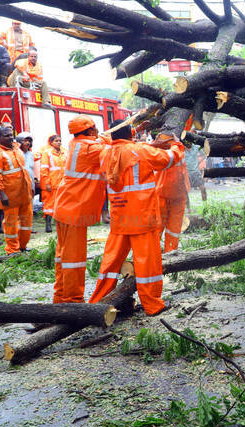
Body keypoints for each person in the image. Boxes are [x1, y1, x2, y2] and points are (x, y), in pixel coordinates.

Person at [89, 120, 183, 315]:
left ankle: (97, 303)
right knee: (148, 265)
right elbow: (170, 159)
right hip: (142, 217)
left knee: (110, 263)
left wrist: (137, 135)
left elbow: (109, 139)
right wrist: (176, 144)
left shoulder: (105, 152)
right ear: (130, 134)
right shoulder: (140, 151)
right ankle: (153, 305)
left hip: (120, 218)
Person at [51, 117, 107, 304]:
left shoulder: (77, 143)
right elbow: (113, 149)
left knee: (63, 257)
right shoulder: (90, 148)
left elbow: (101, 142)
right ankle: (73, 300)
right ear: (90, 131)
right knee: (74, 259)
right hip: (75, 209)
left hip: (65, 206)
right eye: (95, 129)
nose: (98, 131)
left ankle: (60, 297)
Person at [0, 127, 34, 255]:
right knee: (11, 223)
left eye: (10, 135)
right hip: (10, 195)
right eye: (6, 136)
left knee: (26, 220)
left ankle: (23, 246)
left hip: (24, 193)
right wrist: (2, 194)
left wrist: (30, 187)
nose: (10, 137)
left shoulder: (16, 148)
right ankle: (12, 249)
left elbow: (23, 170)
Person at [155, 130, 190, 252]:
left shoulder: (165, 150)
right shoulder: (177, 149)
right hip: (172, 194)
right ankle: (169, 254)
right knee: (171, 229)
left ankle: (158, 254)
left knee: (162, 228)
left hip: (164, 193)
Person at [39, 134, 65, 233]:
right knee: (49, 205)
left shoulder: (64, 153)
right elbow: (44, 169)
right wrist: (47, 183)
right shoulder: (47, 153)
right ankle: (48, 224)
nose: (59, 142)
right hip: (52, 184)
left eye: (59, 141)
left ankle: (60, 222)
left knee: (62, 204)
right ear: (51, 143)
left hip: (62, 183)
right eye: (56, 141)